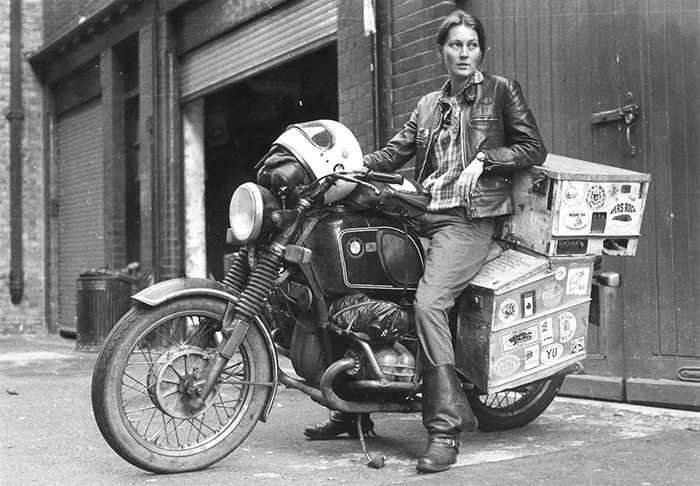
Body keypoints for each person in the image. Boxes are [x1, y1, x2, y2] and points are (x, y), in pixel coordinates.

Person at [303, 10, 547, 473]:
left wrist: (487, 159)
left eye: (471, 45)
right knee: (360, 281)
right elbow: (394, 152)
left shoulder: (500, 91)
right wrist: (345, 168)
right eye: (455, 45)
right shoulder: (428, 104)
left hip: (469, 221)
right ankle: (352, 408)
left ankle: (445, 431)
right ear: (441, 51)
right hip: (422, 213)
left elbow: (533, 147)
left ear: (482, 50)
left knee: (429, 304)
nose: (464, 53)